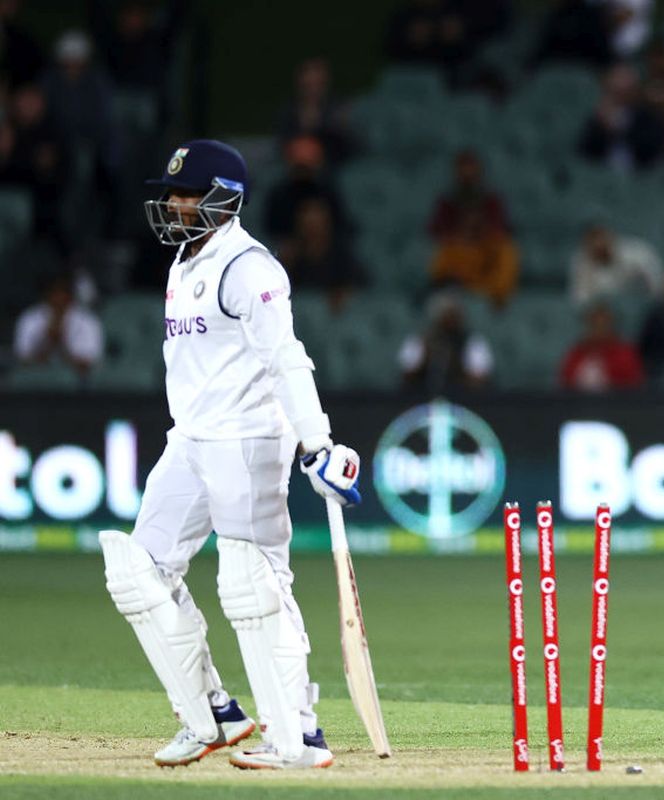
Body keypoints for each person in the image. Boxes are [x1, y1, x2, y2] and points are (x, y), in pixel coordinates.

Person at [99, 140, 361, 770]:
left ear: (224, 197)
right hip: (190, 438)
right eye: (171, 192)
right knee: (139, 571)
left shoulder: (251, 268)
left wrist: (316, 443)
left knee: (253, 583)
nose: (173, 203)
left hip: (246, 440)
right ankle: (213, 714)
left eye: (186, 193)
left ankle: (300, 736)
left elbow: (285, 359)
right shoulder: (183, 264)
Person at [400, 290, 494, 391]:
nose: (451, 320)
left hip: (462, 398)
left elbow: (479, 379)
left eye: (454, 315)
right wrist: (426, 357)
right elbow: (407, 376)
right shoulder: (420, 339)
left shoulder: (472, 341)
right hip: (422, 397)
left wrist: (455, 364)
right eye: (447, 315)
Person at [14, 272, 104, 375]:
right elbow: (22, 360)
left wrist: (61, 343)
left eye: (63, 292)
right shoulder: (30, 318)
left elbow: (89, 364)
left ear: (70, 296)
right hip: (35, 382)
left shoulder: (88, 321)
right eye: (54, 292)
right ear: (47, 294)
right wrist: (48, 342)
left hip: (77, 385)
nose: (58, 298)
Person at [559, 301, 645, 391]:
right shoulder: (576, 353)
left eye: (603, 324)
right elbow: (564, 382)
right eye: (594, 324)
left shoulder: (624, 355)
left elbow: (633, 386)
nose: (599, 329)